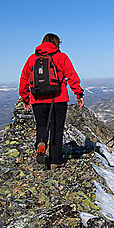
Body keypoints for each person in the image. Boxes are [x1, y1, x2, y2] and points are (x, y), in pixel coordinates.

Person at [19, 33, 84, 170]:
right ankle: (55, 160)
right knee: (56, 129)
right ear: (57, 43)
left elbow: (24, 79)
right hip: (58, 99)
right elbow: (71, 75)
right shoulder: (61, 57)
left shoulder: (32, 59)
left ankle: (41, 143)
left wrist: (26, 98)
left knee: (41, 126)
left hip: (37, 100)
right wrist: (78, 93)